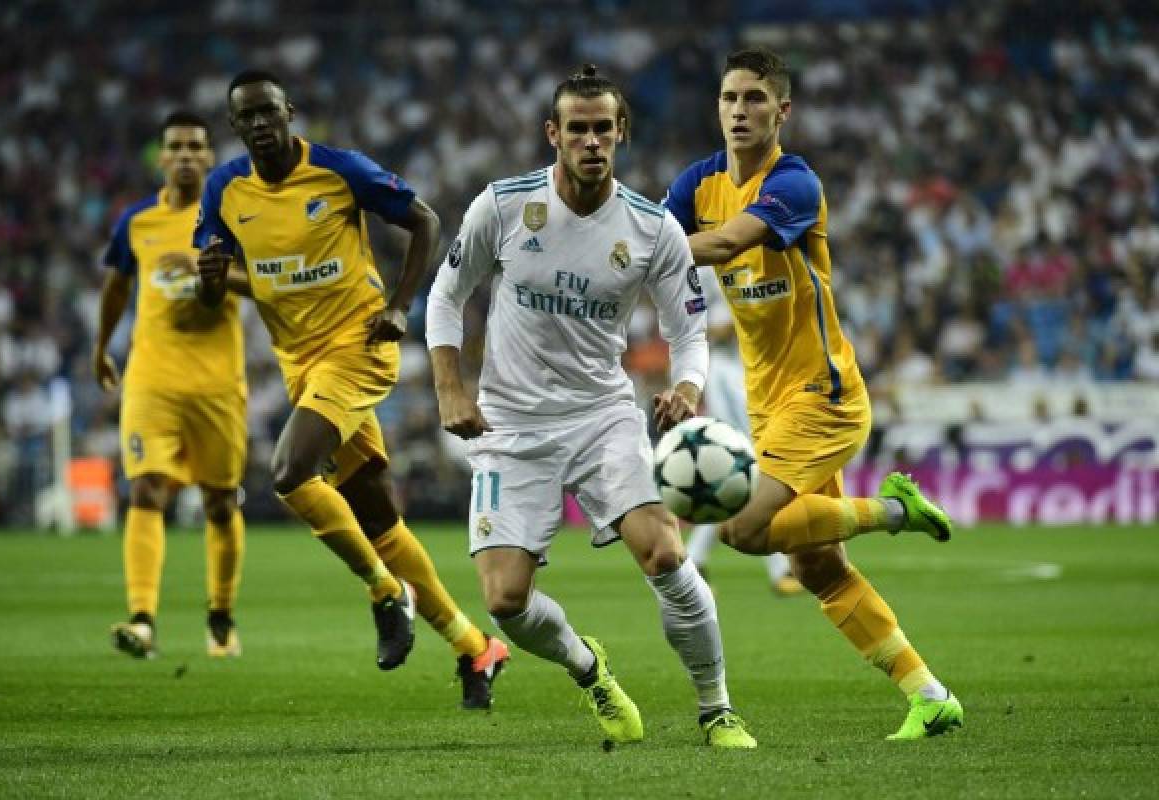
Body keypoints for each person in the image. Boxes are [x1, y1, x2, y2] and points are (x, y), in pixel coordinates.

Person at [426, 65, 755, 748]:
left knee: (664, 552)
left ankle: (716, 706)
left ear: (621, 133)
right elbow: (445, 298)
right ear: (554, 134)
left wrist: (687, 388)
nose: (592, 140)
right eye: (577, 128)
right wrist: (451, 389)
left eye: (604, 128)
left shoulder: (651, 227)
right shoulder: (503, 206)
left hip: (601, 415)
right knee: (504, 601)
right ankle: (590, 670)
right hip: (509, 422)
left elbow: (687, 331)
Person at [664, 47, 963, 740]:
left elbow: (724, 243)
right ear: (717, 105)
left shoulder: (794, 185)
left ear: (782, 111)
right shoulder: (698, 181)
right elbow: (656, 230)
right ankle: (930, 694)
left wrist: (640, 249)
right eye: (730, 98)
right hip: (771, 405)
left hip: (822, 397)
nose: (740, 111)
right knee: (819, 569)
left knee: (742, 528)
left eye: (755, 100)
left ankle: (895, 510)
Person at [194, 70, 508, 708]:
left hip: (359, 347)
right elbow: (213, 292)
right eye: (246, 116)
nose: (259, 124)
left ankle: (384, 591)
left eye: (268, 112)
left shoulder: (340, 171)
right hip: (299, 363)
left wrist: (399, 306)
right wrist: (207, 277)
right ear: (234, 126)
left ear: (290, 113)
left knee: (288, 472)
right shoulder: (224, 189)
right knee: (377, 515)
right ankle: (477, 648)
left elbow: (424, 221)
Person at [95, 111, 246, 659]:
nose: (185, 155)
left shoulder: (233, 216)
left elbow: (265, 285)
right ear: (161, 158)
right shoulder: (136, 221)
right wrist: (100, 347)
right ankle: (142, 620)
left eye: (195, 147)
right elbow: (116, 285)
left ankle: (221, 616)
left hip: (217, 384)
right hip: (151, 378)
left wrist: (213, 272)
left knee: (221, 504)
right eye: (175, 146)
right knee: (145, 489)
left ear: (209, 157)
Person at [685, 270, 801, 596]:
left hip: (749, 371)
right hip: (725, 372)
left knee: (737, 475)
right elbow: (708, 323)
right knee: (750, 461)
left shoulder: (742, 253)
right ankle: (780, 568)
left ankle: (693, 559)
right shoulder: (713, 263)